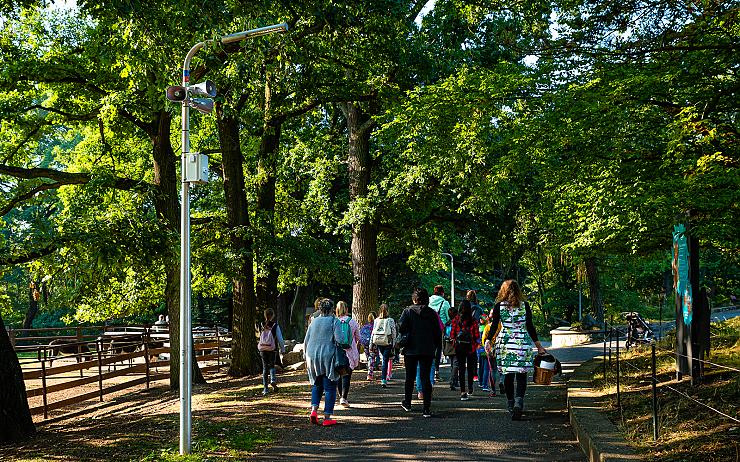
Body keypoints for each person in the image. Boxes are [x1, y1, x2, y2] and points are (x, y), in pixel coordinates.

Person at [487, 279, 546, 420]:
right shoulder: (524, 306)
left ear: (503, 291)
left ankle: (510, 402)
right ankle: (519, 401)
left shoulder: (498, 307)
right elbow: (530, 326)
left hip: (506, 345)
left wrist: (489, 340)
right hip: (521, 344)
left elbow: (494, 326)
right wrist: (539, 346)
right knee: (521, 375)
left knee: (507, 375)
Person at [399, 287, 442, 417]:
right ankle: (426, 408)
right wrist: (437, 347)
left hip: (411, 349)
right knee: (425, 378)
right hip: (427, 349)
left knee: (410, 377)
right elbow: (437, 332)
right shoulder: (432, 313)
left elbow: (401, 328)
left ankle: (407, 402)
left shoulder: (407, 312)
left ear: (414, 299)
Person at [304, 298, 343, 426]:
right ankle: (327, 417)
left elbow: (306, 341)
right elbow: (340, 339)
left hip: (312, 356)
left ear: (320, 309)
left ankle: (314, 411)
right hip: (328, 356)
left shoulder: (313, 322)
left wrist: (306, 357)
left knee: (317, 384)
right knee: (330, 386)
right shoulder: (334, 321)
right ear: (332, 309)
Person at [450, 300, 480, 400]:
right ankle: (470, 388)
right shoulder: (473, 320)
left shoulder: (455, 320)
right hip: (470, 347)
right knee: (471, 368)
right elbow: (476, 336)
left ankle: (463, 392)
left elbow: (452, 335)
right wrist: (474, 345)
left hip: (459, 348)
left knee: (461, 369)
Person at [335, 301, 360, 407]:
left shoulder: (334, 322)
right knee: (347, 376)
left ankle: (341, 395)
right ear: (347, 309)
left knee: (339, 375)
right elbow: (358, 337)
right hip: (350, 352)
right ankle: (344, 398)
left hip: (338, 352)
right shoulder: (352, 321)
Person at [257, 308, 285, 395]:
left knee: (265, 368)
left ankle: (265, 389)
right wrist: (283, 349)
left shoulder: (261, 325)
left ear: (265, 315)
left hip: (262, 348)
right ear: (273, 315)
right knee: (271, 365)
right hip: (272, 349)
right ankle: (273, 380)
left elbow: (259, 336)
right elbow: (280, 339)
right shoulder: (275, 325)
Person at [370, 303, 397, 388]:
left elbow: (373, 332)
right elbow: (393, 333)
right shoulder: (390, 320)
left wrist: (371, 343)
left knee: (383, 359)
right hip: (387, 342)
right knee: (385, 360)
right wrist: (393, 343)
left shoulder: (376, 320)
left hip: (379, 341)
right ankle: (383, 379)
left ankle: (384, 378)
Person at [429, 285, 451, 379]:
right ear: (442, 293)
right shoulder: (444, 303)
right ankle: (436, 372)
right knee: (438, 350)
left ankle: (429, 371)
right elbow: (449, 317)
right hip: (439, 329)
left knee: (429, 350)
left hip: (428, 328)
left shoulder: (428, 300)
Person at [444, 305, 460, 390]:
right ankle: (452, 381)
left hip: (448, 346)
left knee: (452, 365)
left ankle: (455, 381)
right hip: (455, 345)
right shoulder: (456, 323)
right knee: (456, 364)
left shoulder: (447, 323)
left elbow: (445, 336)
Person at [360, 312, 377, 381]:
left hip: (365, 344)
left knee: (368, 358)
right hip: (373, 344)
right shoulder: (375, 326)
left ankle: (369, 372)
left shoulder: (365, 326)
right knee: (372, 359)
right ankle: (370, 374)